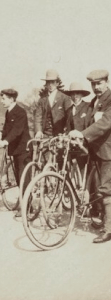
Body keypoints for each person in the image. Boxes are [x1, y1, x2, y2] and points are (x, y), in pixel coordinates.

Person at [69, 69, 111, 243]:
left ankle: (108, 230)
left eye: (99, 83)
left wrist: (83, 134)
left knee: (108, 188)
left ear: (107, 82)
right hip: (98, 151)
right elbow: (88, 122)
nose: (96, 87)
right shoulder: (95, 101)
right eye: (93, 84)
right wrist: (77, 134)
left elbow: (105, 123)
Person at [0, 89, 31, 217]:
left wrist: (6, 141)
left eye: (4, 98)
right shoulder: (9, 112)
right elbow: (7, 129)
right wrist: (2, 138)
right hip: (15, 149)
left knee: (24, 177)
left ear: (12, 99)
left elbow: (17, 130)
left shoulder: (20, 112)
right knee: (19, 177)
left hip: (23, 149)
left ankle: (27, 208)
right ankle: (23, 203)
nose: (2, 101)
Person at [34, 69, 71, 139]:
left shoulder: (65, 98)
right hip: (45, 135)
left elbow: (69, 117)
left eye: (53, 82)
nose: (50, 85)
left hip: (60, 135)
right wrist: (38, 131)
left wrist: (66, 132)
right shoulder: (42, 100)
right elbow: (38, 117)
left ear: (57, 83)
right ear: (46, 84)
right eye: (48, 82)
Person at [64, 82, 90, 173]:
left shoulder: (88, 107)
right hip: (73, 146)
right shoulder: (68, 110)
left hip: (85, 146)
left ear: (82, 94)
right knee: (73, 171)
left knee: (85, 171)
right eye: (72, 94)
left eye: (77, 93)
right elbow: (68, 128)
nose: (75, 96)